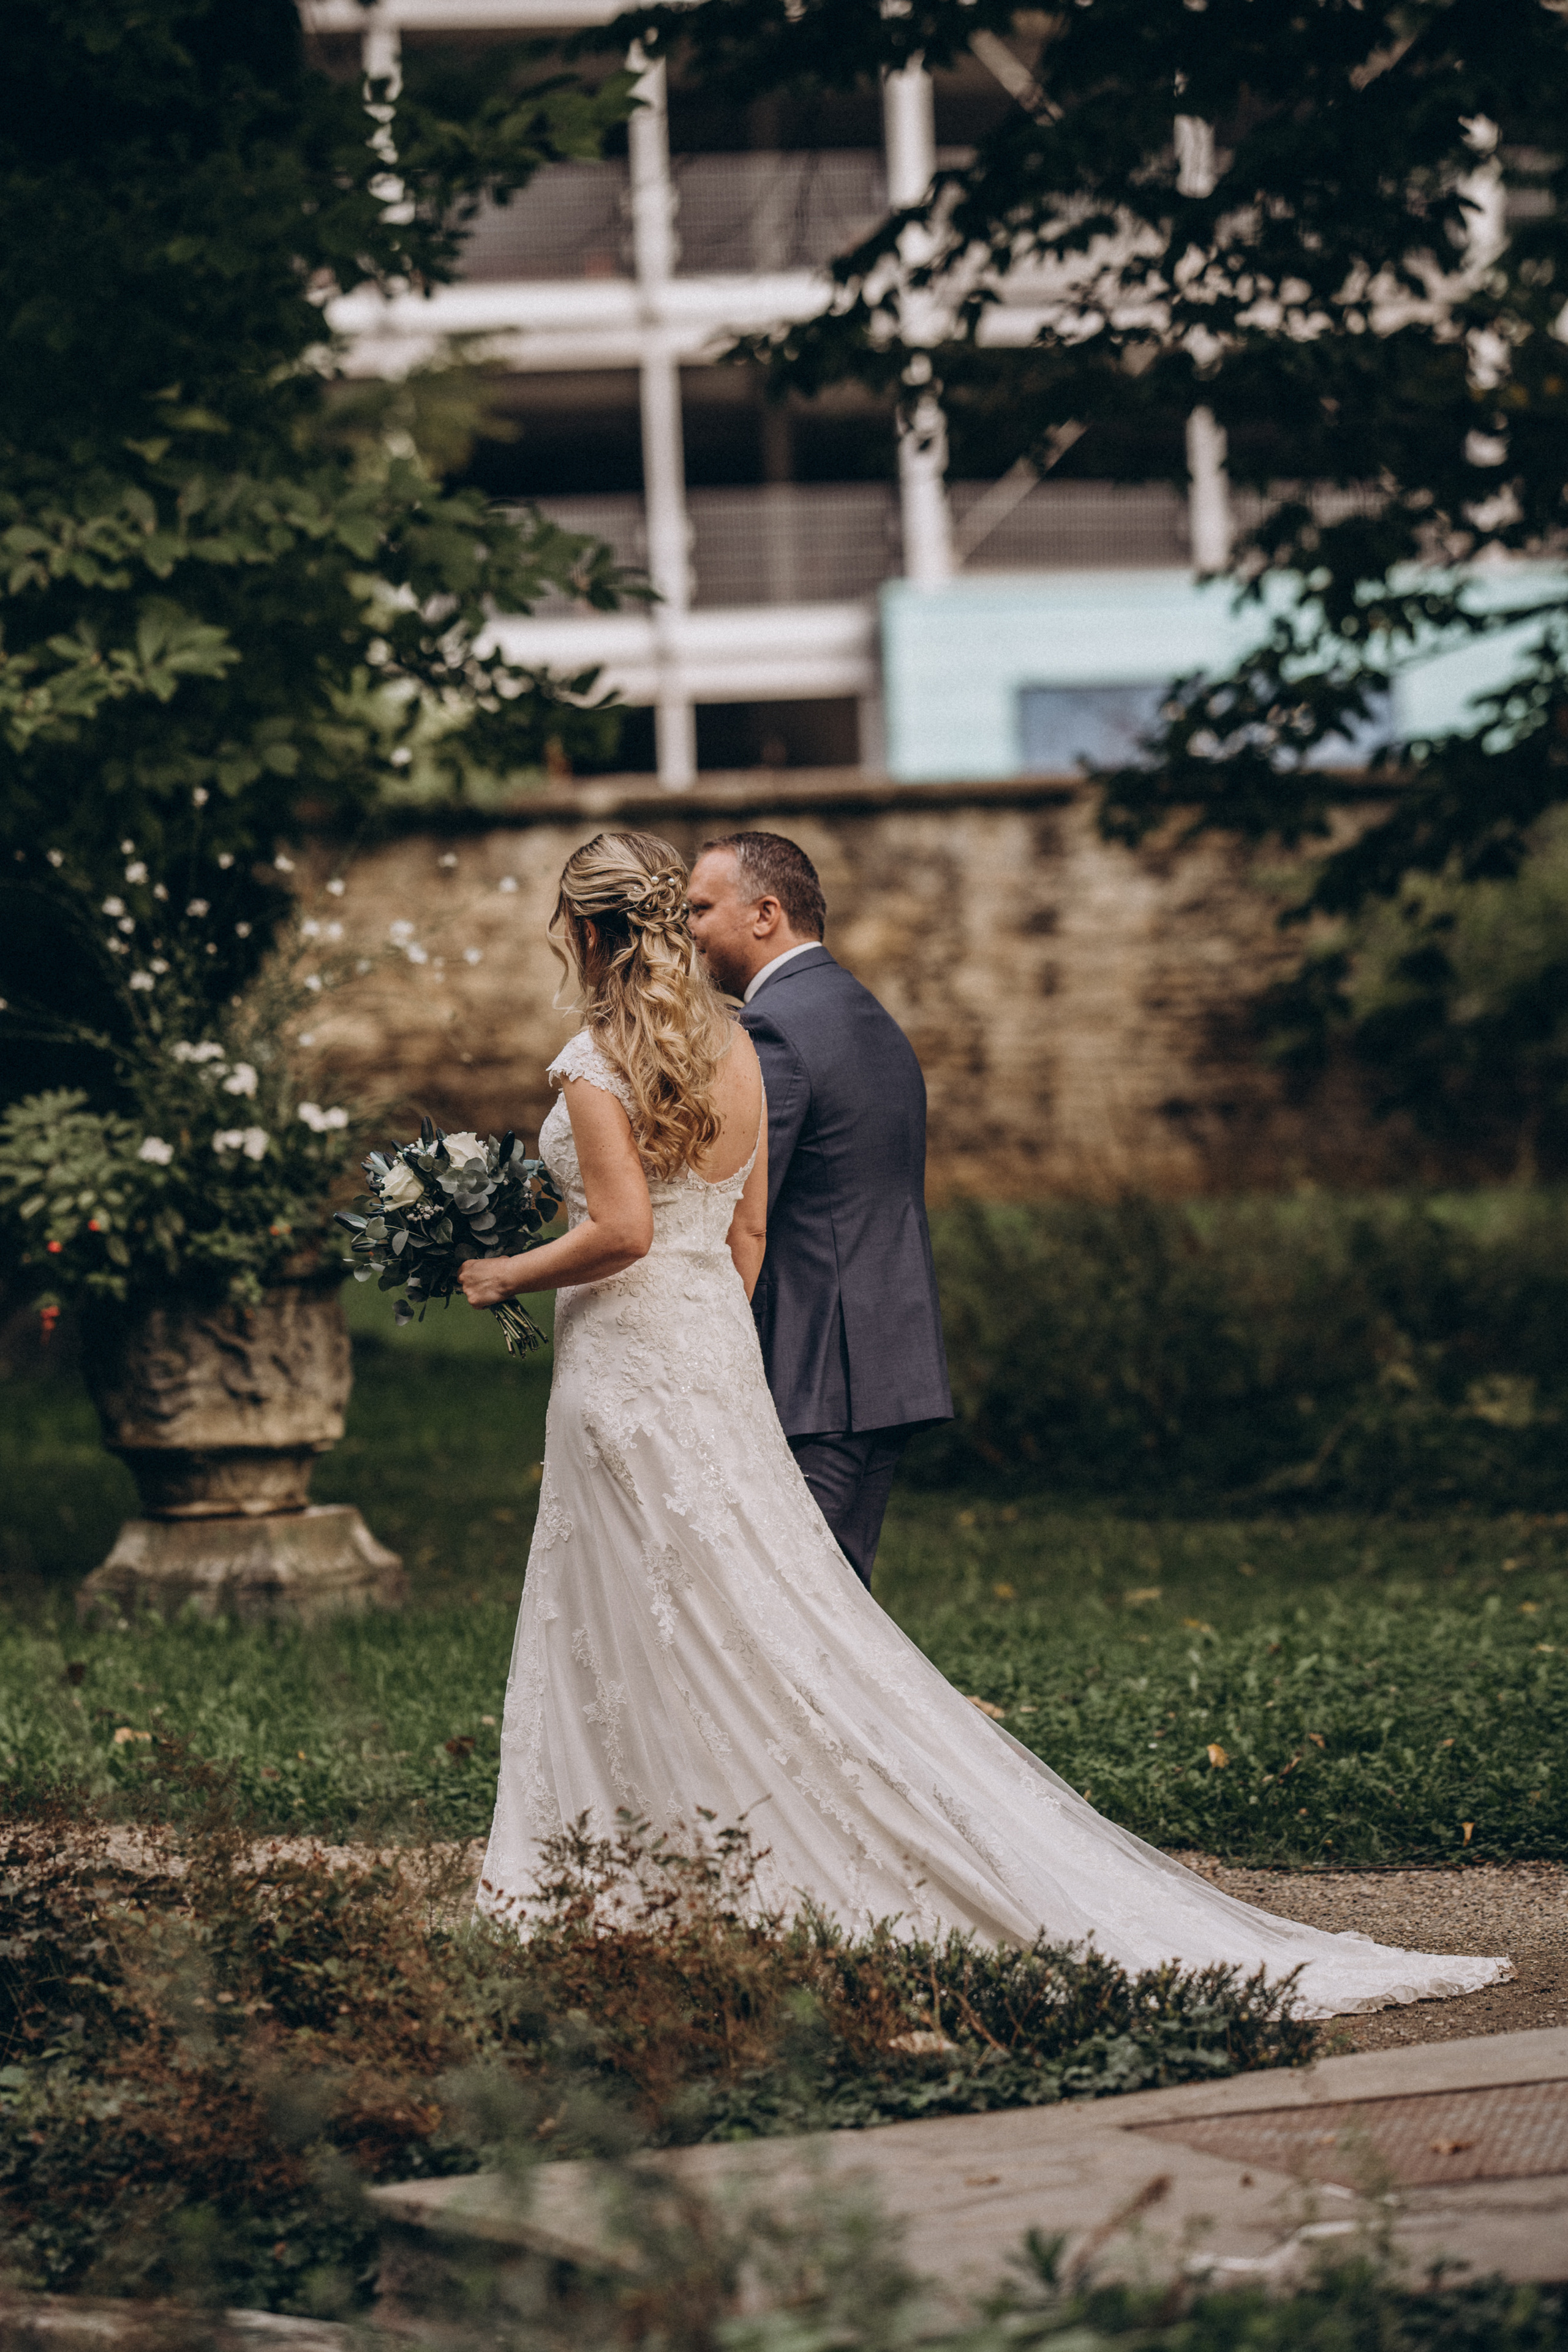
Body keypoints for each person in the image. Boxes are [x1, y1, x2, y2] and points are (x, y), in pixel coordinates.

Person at [461, 829, 1509, 2017]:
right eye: (683, 910)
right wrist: (705, 1351)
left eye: (713, 907)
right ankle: (702, 1849)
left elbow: (639, 1224)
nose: (697, 930)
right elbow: (742, 1231)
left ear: (596, 929)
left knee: (779, 1649)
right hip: (760, 1359)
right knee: (767, 1628)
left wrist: (506, 1273)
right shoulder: (824, 1026)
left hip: (745, 1369)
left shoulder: (703, 1044)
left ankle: (813, 1858)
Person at [684, 831, 950, 1590]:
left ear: (765, 913)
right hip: (883, 1355)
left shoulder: (772, 1029)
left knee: (799, 1606)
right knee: (838, 1605)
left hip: (818, 1368)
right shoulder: (860, 1011)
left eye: (700, 909)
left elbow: (733, 1197)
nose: (688, 929)